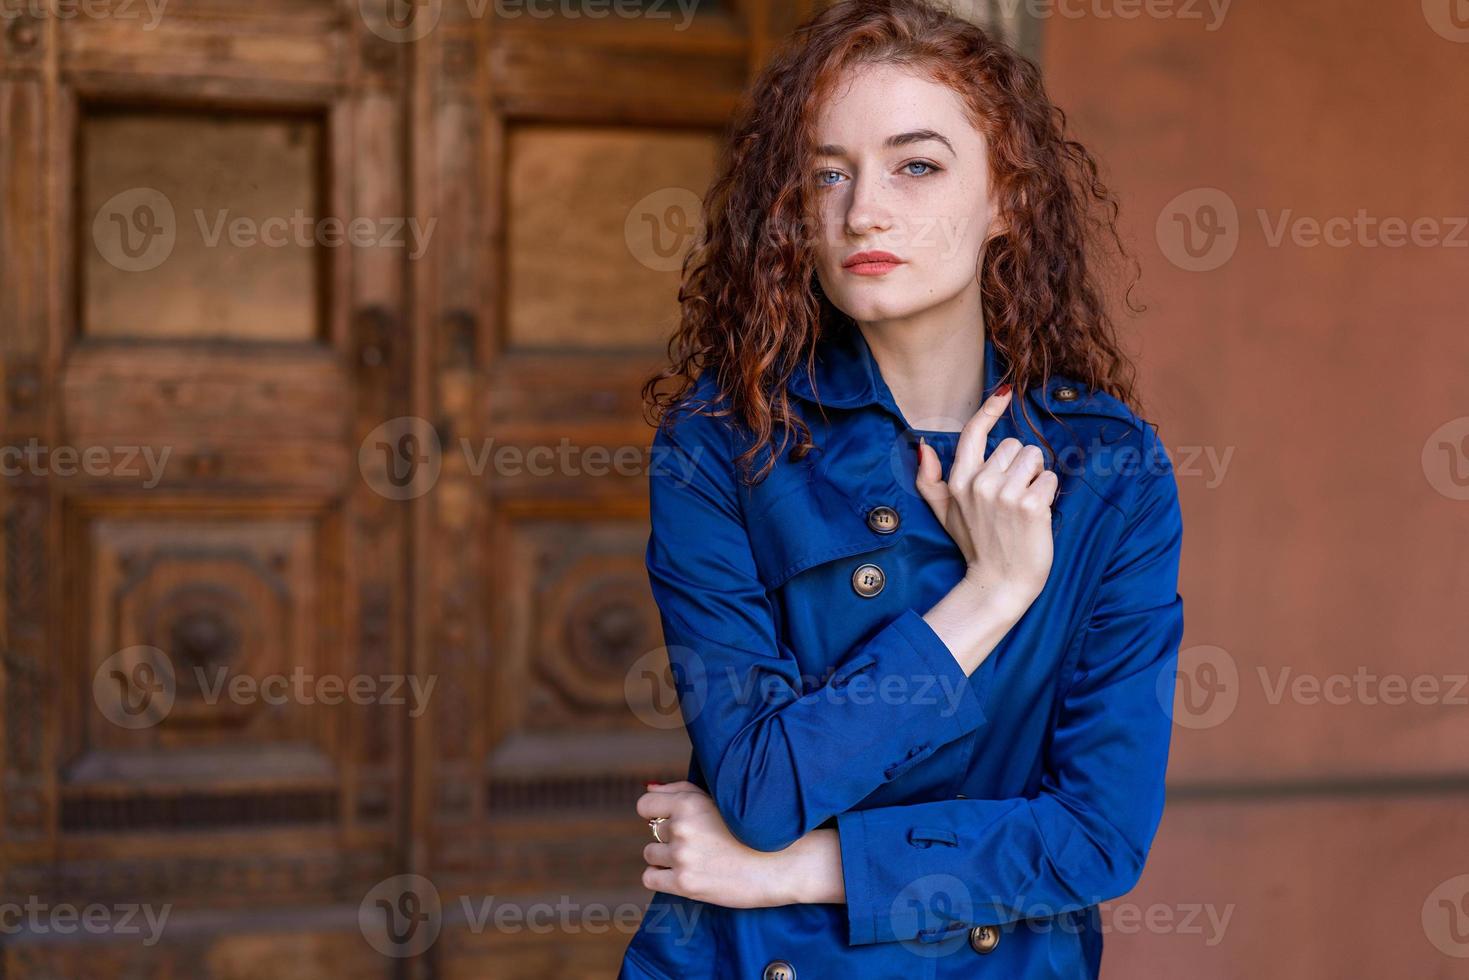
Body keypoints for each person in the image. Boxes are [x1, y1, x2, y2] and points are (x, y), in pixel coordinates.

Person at [619, 1, 1185, 976]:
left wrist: (801, 867)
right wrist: (989, 595)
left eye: (915, 165)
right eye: (827, 172)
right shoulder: (720, 445)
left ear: (1007, 196)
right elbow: (758, 783)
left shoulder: (1107, 468)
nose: (861, 209)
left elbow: (1095, 836)